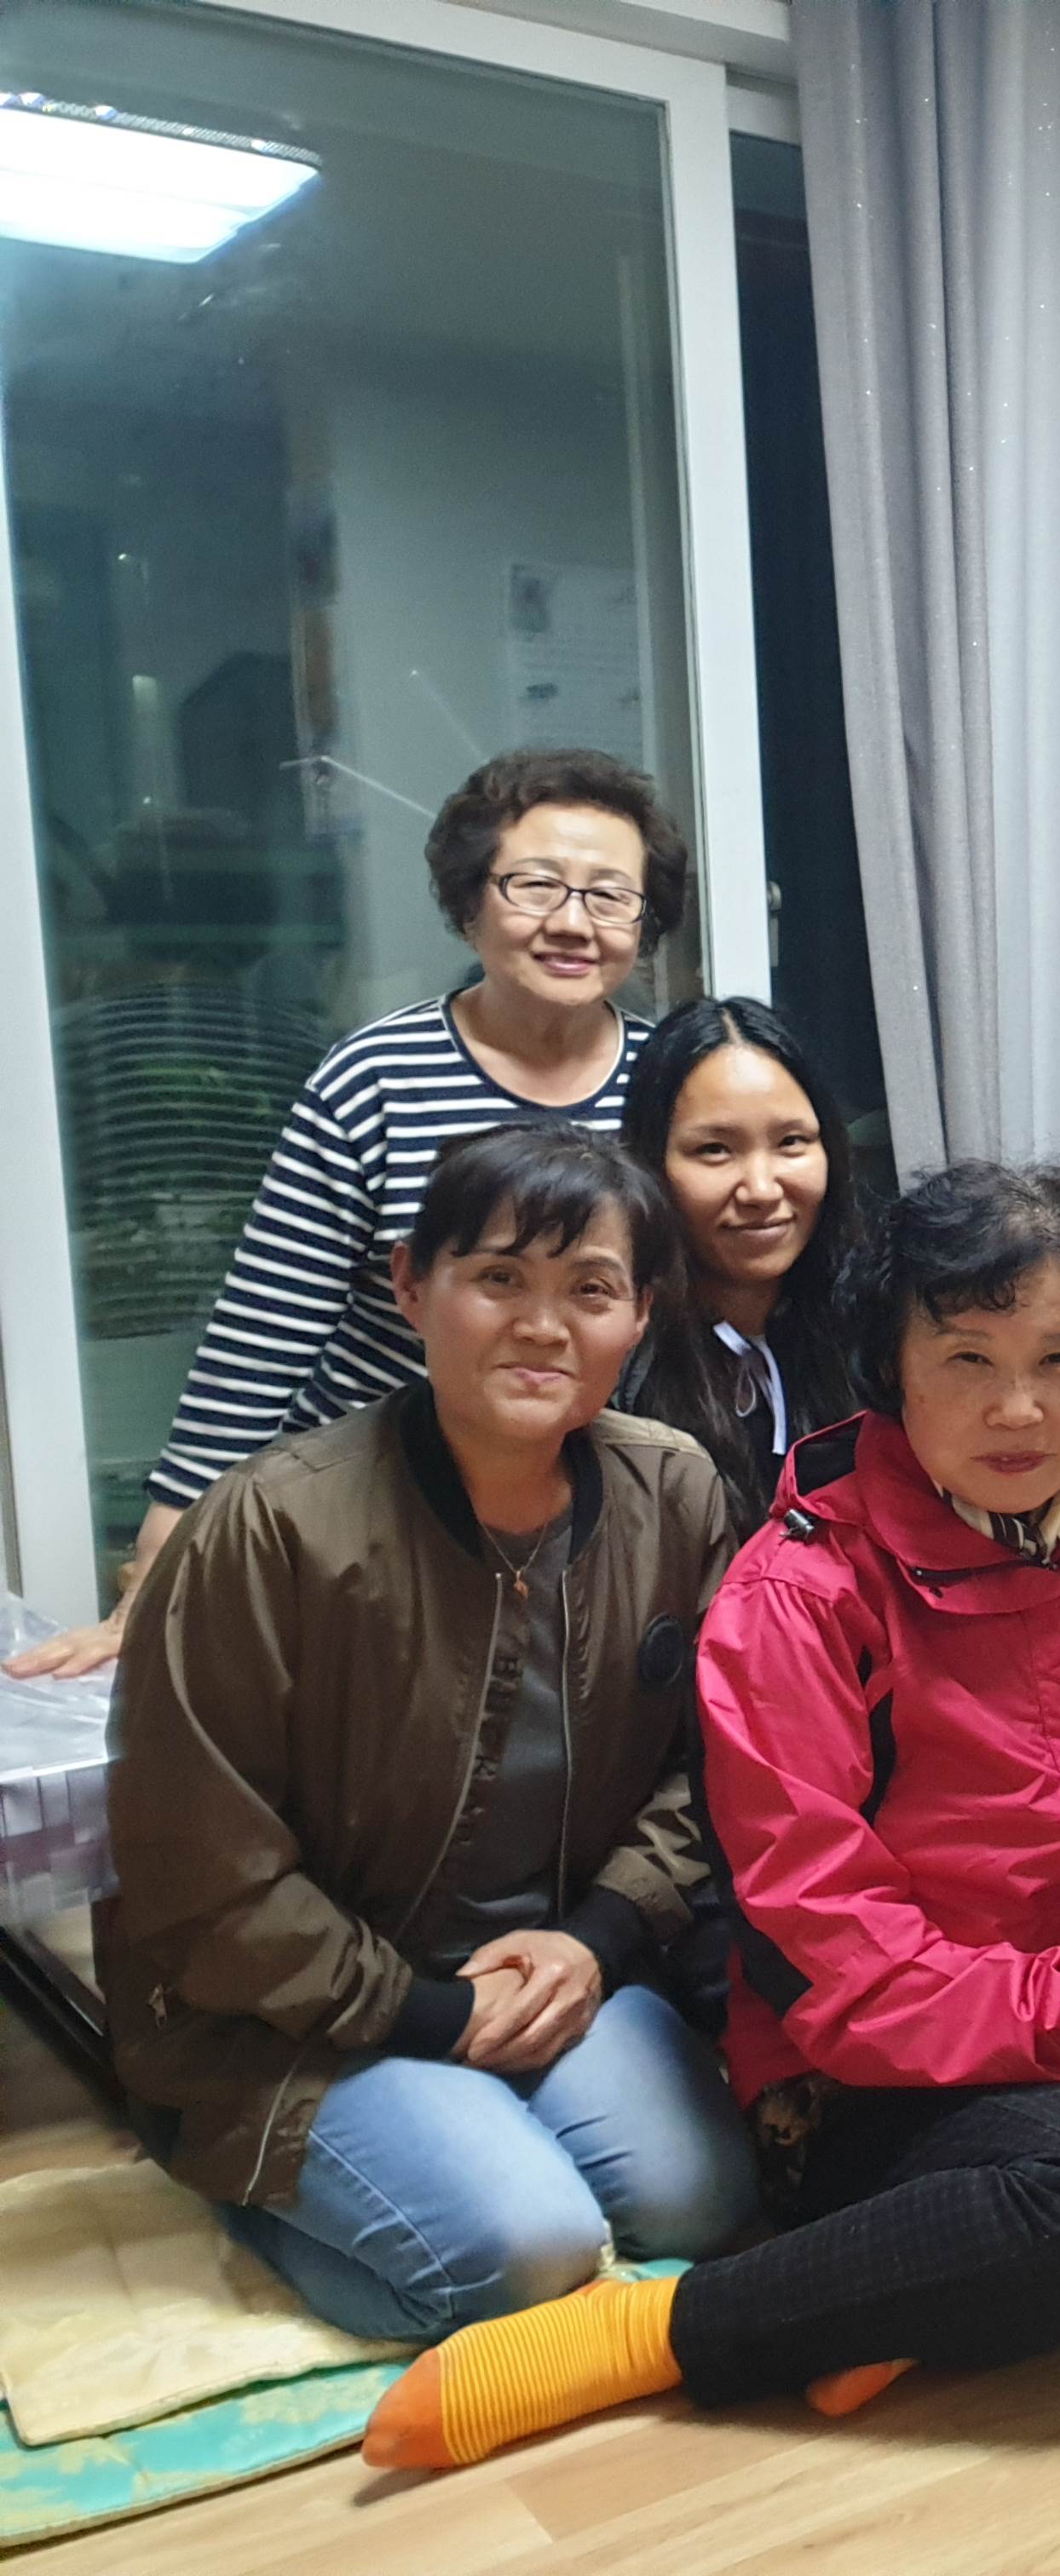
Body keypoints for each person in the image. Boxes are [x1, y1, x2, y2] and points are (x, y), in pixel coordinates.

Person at [355, 1160, 1060, 2471]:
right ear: (891, 1369)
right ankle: (670, 2329)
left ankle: (933, 2285)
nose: (1019, 1407)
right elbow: (828, 1948)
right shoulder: (801, 1590)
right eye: (967, 1359)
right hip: (885, 2075)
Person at [99, 1124, 755, 2342]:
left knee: (704, 2200)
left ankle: (470, 2136)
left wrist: (598, 1943)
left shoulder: (674, 1493)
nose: (543, 1327)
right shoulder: (272, 1527)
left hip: (557, 1972)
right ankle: (253, 2187)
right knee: (525, 2249)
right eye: (499, 1278)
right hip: (294, 2014)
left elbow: (707, 1770)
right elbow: (199, 1874)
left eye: (591, 1290)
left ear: (641, 1315)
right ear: (412, 1285)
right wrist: (431, 2017)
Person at [11, 747, 689, 1679]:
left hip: (585, 1513)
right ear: (470, 902)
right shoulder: (372, 1079)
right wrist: (154, 1586)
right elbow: (258, 1343)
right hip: (382, 1508)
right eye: (535, 885)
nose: (572, 922)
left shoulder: (666, 1084)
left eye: (611, 896)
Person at [616, 995, 871, 1538]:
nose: (761, 1189)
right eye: (715, 1150)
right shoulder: (615, 1360)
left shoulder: (875, 1332)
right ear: (649, 1163)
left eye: (791, 1143)